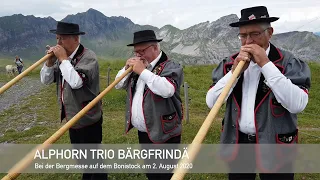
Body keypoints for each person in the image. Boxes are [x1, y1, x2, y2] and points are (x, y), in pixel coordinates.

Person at [206, 6, 311, 180]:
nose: (248, 42)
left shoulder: (289, 62)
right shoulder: (230, 63)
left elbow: (298, 104)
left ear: (269, 33)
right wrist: (234, 73)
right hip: (239, 143)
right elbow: (212, 102)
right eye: (243, 35)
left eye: (255, 34)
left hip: (276, 144)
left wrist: (265, 64)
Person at [40, 21, 107, 180]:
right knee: (81, 155)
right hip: (72, 116)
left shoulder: (88, 57)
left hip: (88, 116)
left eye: (62, 39)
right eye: (57, 39)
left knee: (93, 156)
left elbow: (76, 82)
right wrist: (49, 63)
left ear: (76, 39)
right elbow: (46, 80)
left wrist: (63, 60)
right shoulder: (61, 58)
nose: (58, 43)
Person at [115, 30, 184, 180]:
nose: (138, 55)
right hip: (145, 131)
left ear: (155, 47)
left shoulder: (171, 65)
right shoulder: (137, 66)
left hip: (165, 132)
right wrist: (126, 69)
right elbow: (118, 85)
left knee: (166, 173)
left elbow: (167, 90)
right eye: (136, 52)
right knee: (152, 172)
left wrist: (142, 72)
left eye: (142, 51)